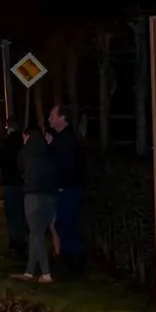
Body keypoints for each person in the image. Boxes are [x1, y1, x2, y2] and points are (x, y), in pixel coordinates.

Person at [13, 126, 58, 283]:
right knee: (36, 233)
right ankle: (29, 272)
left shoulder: (25, 153)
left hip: (32, 196)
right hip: (49, 196)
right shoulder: (49, 152)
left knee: (36, 234)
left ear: (26, 136)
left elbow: (20, 170)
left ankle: (46, 274)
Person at [46, 103, 86, 272]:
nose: (50, 119)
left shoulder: (66, 139)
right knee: (63, 224)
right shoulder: (63, 138)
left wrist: (51, 147)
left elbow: (64, 164)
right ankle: (70, 259)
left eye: (52, 115)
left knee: (67, 224)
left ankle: (73, 260)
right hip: (67, 188)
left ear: (62, 118)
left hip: (69, 189)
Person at [0, 119, 27, 256]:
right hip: (22, 182)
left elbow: (1, 161)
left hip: (9, 183)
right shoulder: (24, 141)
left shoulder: (6, 143)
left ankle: (15, 243)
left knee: (12, 214)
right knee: (21, 213)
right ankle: (22, 241)